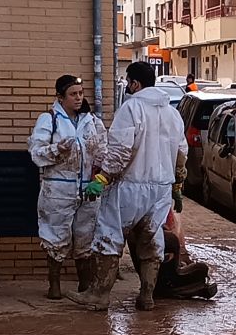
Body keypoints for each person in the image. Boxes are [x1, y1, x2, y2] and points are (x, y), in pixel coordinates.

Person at [80, 60, 186, 311]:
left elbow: (120, 150)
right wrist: (177, 185)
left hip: (130, 185)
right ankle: (147, 295)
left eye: (128, 82)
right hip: (160, 188)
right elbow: (182, 152)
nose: (127, 86)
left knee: (110, 235)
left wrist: (103, 178)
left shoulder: (131, 109)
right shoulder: (172, 113)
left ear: (135, 83)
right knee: (151, 239)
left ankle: (98, 296)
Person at [28, 74, 105, 300]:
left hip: (88, 191)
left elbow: (103, 150)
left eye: (81, 93)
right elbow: (36, 154)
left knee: (86, 238)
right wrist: (57, 151)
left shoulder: (92, 121)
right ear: (60, 97)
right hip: (58, 190)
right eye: (73, 94)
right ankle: (54, 286)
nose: (79, 98)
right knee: (55, 237)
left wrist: (99, 176)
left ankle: (85, 287)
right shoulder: (48, 119)